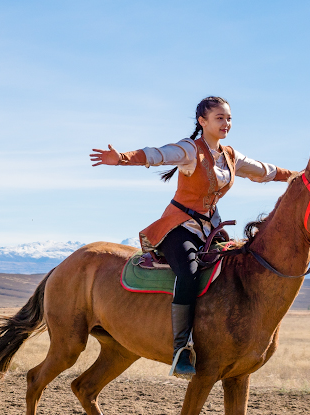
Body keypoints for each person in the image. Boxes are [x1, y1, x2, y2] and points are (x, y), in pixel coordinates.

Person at [90, 96, 291, 379]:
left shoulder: (231, 156)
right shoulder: (188, 150)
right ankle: (181, 348)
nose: (226, 123)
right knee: (189, 272)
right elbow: (157, 154)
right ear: (202, 121)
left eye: (229, 118)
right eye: (220, 118)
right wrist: (121, 158)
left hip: (211, 229)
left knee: (236, 266)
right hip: (179, 226)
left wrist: (302, 176)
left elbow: (265, 172)